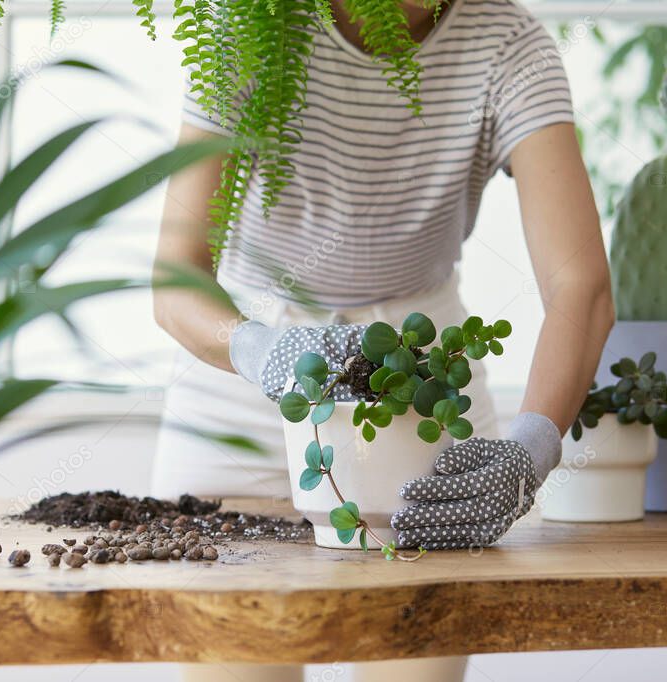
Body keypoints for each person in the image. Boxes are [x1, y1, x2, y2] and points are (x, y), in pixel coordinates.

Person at [151, 0, 614, 679]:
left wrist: (530, 448)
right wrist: (259, 352)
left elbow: (580, 289)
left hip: (421, 388)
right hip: (238, 373)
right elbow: (174, 279)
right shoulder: (252, 26)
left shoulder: (507, 44)